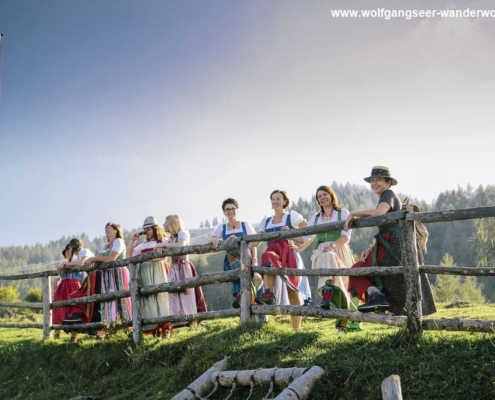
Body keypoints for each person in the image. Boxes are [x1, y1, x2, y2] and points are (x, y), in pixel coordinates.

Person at [344, 166, 436, 315]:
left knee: (367, 272)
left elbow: (379, 212)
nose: (374, 183)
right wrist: (371, 249)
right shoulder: (385, 196)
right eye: (372, 180)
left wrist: (354, 213)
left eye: (379, 180)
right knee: (362, 270)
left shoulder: (388, 194)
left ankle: (379, 298)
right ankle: (377, 297)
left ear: (388, 183)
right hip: (388, 243)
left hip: (396, 244)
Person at [303, 185, 361, 331]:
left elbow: (346, 236)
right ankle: (327, 294)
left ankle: (344, 322)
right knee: (328, 260)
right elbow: (306, 236)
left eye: (324, 194)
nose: (322, 197)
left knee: (345, 286)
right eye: (319, 196)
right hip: (321, 255)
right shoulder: (315, 218)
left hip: (339, 251)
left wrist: (333, 246)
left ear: (331, 195)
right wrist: (292, 240)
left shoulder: (343, 213)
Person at [255, 189, 308, 331]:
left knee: (293, 293)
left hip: (289, 254)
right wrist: (240, 241)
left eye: (278, 198)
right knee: (267, 256)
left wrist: (291, 235)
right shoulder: (266, 221)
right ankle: (268, 293)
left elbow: (307, 236)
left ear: (285, 202)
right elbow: (255, 243)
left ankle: (296, 329)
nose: (275, 201)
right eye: (273, 199)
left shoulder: (292, 217)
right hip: (274, 256)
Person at [155, 215, 207, 328]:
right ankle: (178, 322)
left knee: (187, 294)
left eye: (166, 222)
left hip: (184, 267)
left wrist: (164, 245)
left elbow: (181, 245)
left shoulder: (183, 234)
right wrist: (161, 246)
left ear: (173, 223)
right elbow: (162, 248)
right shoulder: (169, 239)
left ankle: (192, 321)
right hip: (173, 268)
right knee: (174, 294)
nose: (164, 225)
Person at [83, 222, 132, 339]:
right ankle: (109, 329)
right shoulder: (105, 246)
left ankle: (126, 327)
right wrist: (93, 261)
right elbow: (98, 259)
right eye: (106, 228)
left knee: (120, 298)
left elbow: (111, 258)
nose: (106, 230)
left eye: (109, 228)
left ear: (116, 230)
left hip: (118, 272)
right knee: (108, 300)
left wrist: (94, 258)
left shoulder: (118, 242)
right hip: (107, 275)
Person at [210, 198, 258, 308]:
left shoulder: (245, 224)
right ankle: (242, 296)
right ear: (224, 212)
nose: (230, 211)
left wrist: (254, 260)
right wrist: (216, 240)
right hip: (231, 260)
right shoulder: (221, 227)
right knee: (237, 269)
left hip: (246, 258)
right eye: (227, 209)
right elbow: (211, 239)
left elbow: (254, 243)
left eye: (233, 208)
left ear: (237, 210)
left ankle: (240, 296)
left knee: (242, 271)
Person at [127, 216, 171, 337]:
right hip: (145, 273)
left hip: (157, 270)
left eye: (149, 229)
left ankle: (165, 327)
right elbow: (128, 256)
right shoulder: (143, 245)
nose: (146, 231)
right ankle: (154, 328)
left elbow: (163, 257)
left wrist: (147, 259)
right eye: (145, 229)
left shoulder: (162, 241)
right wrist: (133, 241)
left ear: (155, 228)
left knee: (160, 297)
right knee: (149, 298)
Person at [60, 238, 95, 343]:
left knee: (77, 300)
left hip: (93, 278)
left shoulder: (84, 251)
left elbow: (81, 263)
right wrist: (62, 266)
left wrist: (64, 265)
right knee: (75, 300)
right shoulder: (79, 254)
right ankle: (75, 331)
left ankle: (77, 329)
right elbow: (73, 263)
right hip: (88, 280)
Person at [51, 244, 84, 339]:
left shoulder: (79, 261)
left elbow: (84, 277)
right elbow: (56, 279)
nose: (68, 253)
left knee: (75, 311)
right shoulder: (62, 263)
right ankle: (56, 335)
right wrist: (54, 291)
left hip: (76, 287)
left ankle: (74, 337)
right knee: (58, 308)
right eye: (66, 252)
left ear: (74, 252)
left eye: (70, 251)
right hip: (63, 288)